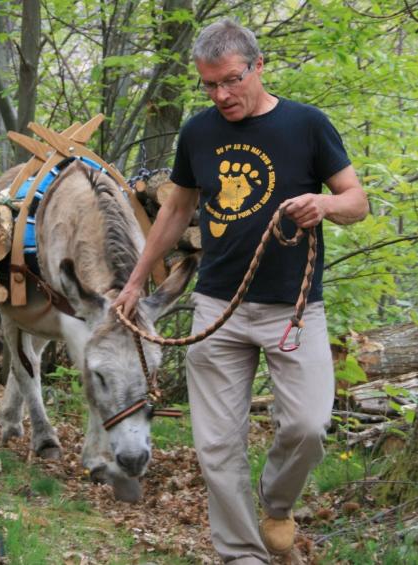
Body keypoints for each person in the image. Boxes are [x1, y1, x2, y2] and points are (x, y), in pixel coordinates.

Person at [113, 19, 368, 564]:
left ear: (257, 66)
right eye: (209, 85)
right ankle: (241, 555)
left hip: (294, 311)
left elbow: (356, 201)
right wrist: (137, 280)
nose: (221, 95)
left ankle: (276, 503)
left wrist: (323, 205)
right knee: (217, 448)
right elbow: (178, 208)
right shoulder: (198, 132)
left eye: (230, 80)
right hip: (218, 308)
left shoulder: (307, 125)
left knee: (307, 425)